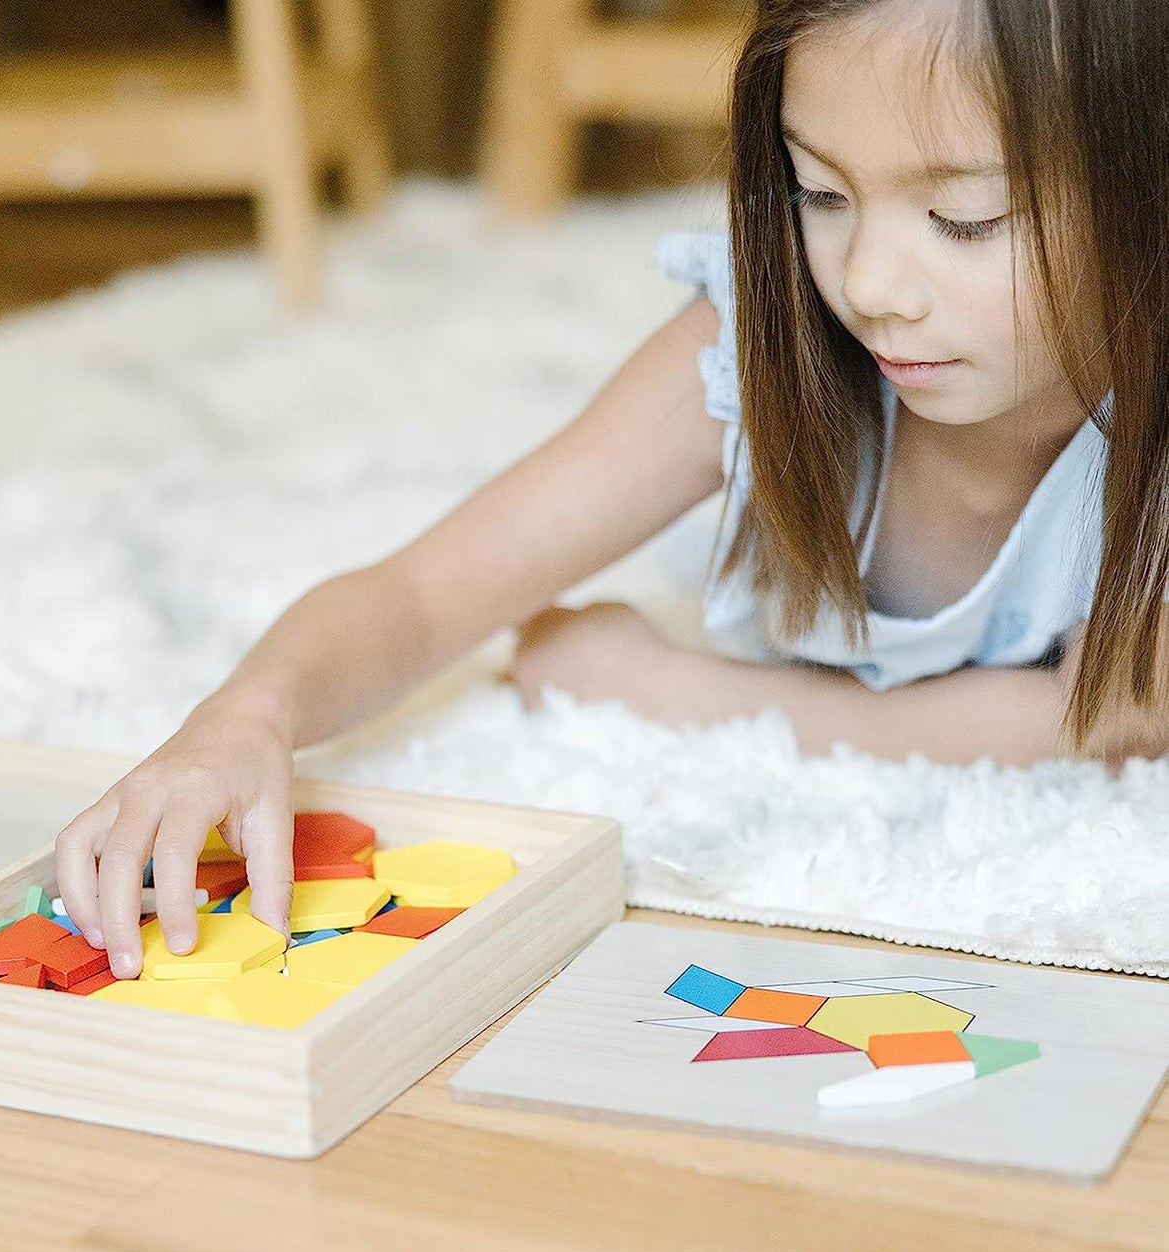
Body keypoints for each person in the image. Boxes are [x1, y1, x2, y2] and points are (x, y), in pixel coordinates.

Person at [57, 0, 1169, 979]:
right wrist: (248, 711)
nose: (869, 284)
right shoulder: (754, 343)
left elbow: (1097, 722)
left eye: (960, 218)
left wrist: (667, 688)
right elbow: (428, 592)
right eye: (817, 191)